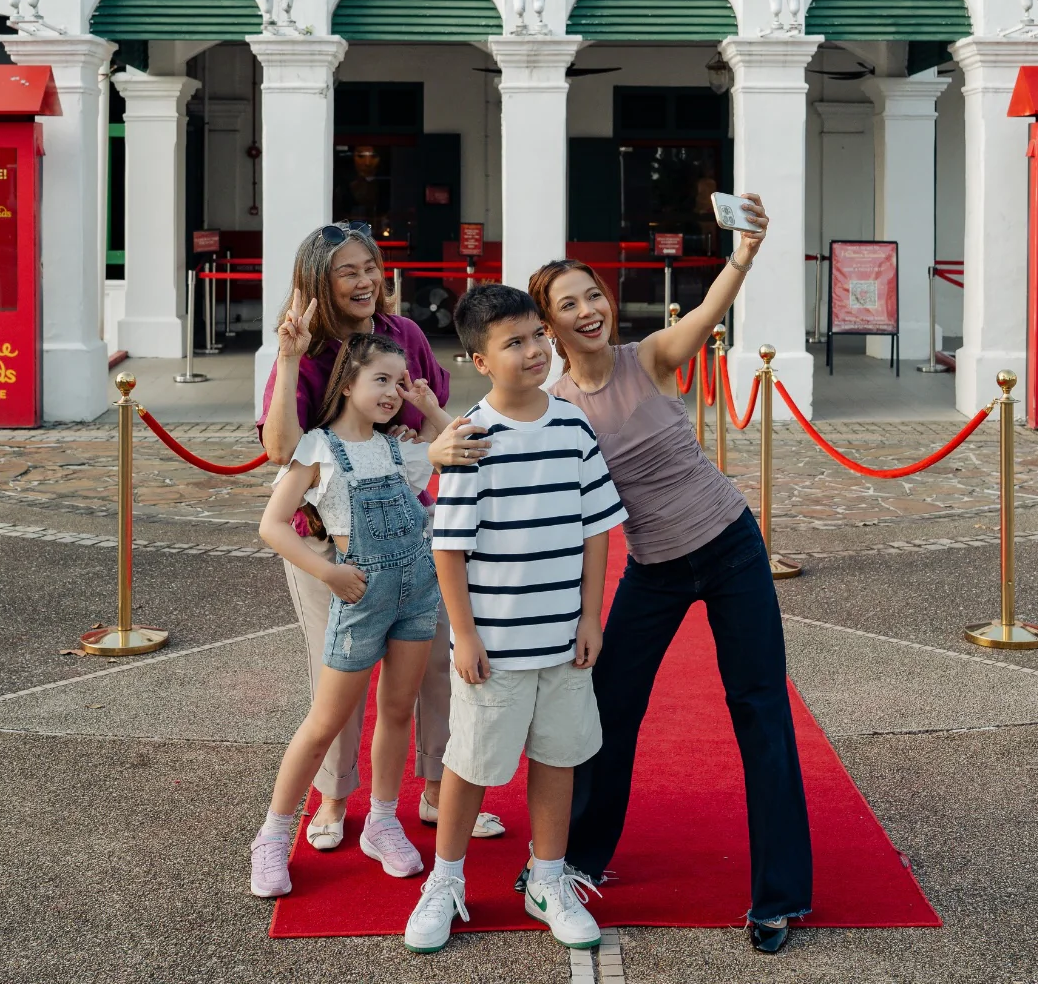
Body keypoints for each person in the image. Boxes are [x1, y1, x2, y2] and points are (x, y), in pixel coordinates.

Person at [533, 192, 815, 956]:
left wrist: (743, 254)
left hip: (731, 548)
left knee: (760, 708)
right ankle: (582, 857)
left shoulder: (650, 358)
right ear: (550, 327)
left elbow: (711, 308)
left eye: (593, 295)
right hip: (654, 568)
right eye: (569, 304)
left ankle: (779, 896)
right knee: (608, 707)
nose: (589, 310)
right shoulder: (557, 409)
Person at [260, 223, 501, 851]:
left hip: (411, 528)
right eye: (348, 271)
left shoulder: (404, 336)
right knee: (336, 675)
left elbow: (432, 423)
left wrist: (419, 433)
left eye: (371, 266)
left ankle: (435, 790)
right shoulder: (306, 348)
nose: (366, 280)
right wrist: (287, 359)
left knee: (436, 665)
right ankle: (335, 797)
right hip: (330, 542)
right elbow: (281, 450)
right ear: (318, 279)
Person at [405, 282, 623, 956]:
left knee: (559, 756)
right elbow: (449, 547)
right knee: (471, 762)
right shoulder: (472, 438)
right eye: (513, 343)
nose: (533, 351)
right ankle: (444, 880)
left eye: (537, 337)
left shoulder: (573, 426)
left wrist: (590, 616)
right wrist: (465, 635)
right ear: (480, 360)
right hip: (495, 644)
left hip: (563, 637)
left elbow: (596, 528)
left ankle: (548, 879)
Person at [249, 333, 448, 899]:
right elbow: (271, 525)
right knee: (325, 723)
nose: (392, 393)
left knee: (398, 711)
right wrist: (329, 572)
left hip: (417, 596)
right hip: (362, 601)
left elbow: (462, 446)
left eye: (399, 382)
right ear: (347, 384)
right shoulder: (318, 449)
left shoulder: (398, 447)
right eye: (380, 380)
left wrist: (427, 405)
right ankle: (273, 835)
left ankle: (382, 822)